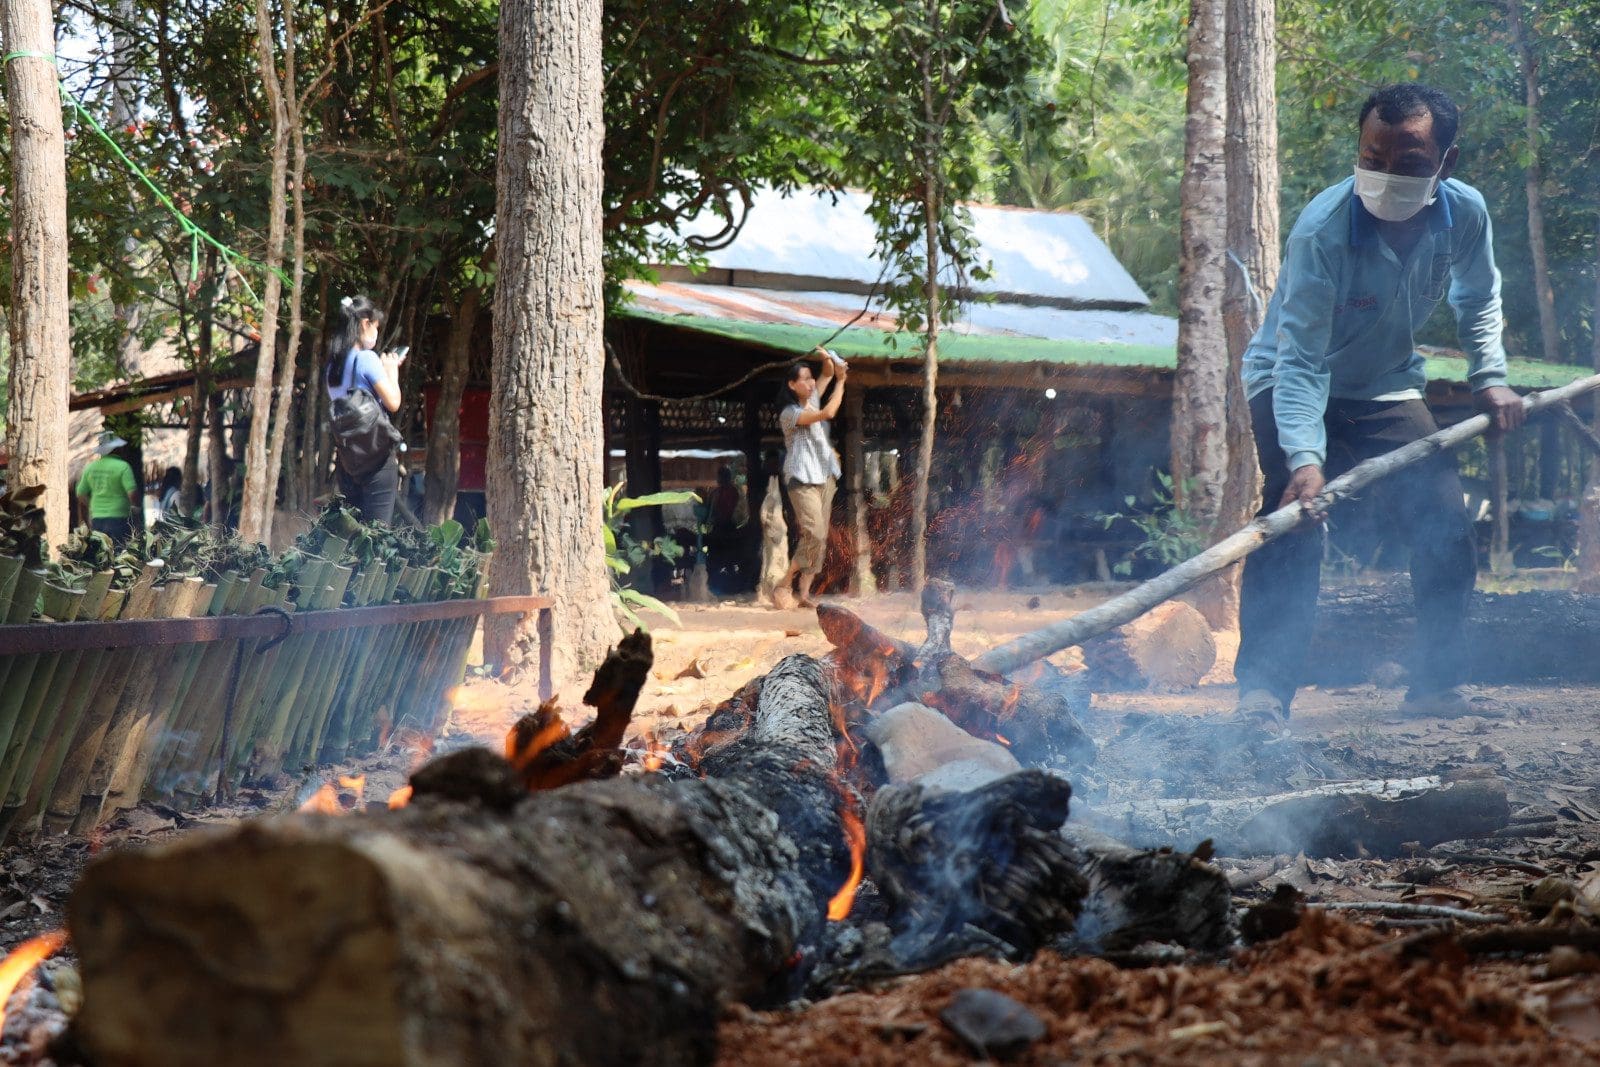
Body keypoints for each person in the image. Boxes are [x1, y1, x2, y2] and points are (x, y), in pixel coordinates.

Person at [1235, 83, 1525, 727]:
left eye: (1410, 165)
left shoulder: (1467, 214)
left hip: (1388, 386)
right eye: (1373, 158)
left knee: (1445, 520)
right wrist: (1307, 457)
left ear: (1445, 164)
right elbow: (1302, 359)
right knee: (1293, 519)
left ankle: (1434, 684)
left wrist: (1492, 378)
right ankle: (1263, 692)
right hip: (1286, 378)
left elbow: (1478, 299)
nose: (1386, 176)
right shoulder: (1322, 231)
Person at [325, 294, 405, 523]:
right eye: (375, 327)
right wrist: (392, 371)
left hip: (348, 461)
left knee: (356, 536)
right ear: (364, 323)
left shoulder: (332, 366)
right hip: (376, 460)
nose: (376, 334)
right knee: (376, 537)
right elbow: (393, 402)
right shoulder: (367, 359)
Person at [778, 350, 846, 607]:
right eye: (804, 379)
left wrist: (827, 356)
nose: (810, 383)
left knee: (819, 538)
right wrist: (841, 381)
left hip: (824, 477)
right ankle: (785, 581)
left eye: (810, 378)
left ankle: (804, 593)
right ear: (792, 385)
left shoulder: (812, 401)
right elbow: (829, 413)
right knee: (814, 533)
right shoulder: (791, 414)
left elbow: (826, 371)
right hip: (801, 480)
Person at [76, 431, 140, 546]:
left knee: (102, 554)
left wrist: (91, 505)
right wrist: (135, 509)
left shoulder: (90, 468)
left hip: (97, 519)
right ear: (115, 449)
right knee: (120, 554)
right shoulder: (123, 467)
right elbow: (132, 493)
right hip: (119, 519)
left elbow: (80, 494)